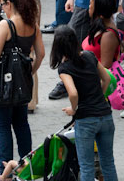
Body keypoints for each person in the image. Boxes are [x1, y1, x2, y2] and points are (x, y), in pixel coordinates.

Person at [0, 0, 44, 174]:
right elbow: (41, 54)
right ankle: (26, 166)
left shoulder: (7, 25)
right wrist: (30, 71)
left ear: (10, 4)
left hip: (2, 84)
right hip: (22, 83)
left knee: (3, 126)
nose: (2, 8)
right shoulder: (33, 26)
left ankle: (3, 169)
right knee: (22, 124)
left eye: (3, 4)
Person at [48, 24, 117, 181]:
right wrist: (98, 95)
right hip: (105, 115)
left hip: (86, 120)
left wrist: (74, 109)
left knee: (86, 166)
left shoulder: (64, 68)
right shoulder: (89, 56)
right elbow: (106, 78)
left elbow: (72, 93)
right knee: (108, 163)